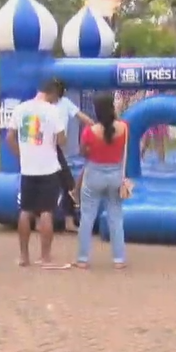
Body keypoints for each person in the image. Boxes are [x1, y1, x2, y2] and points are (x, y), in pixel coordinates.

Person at [7, 79, 67, 269]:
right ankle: (45, 257)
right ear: (53, 93)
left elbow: (10, 137)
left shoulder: (20, 109)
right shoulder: (53, 111)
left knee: (25, 211)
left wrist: (20, 154)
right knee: (46, 212)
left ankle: (24, 257)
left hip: (28, 168)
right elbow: (62, 140)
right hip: (48, 167)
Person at [73, 92, 130, 269]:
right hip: (115, 176)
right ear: (112, 107)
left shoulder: (89, 132)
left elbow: (83, 152)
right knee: (116, 217)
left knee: (87, 217)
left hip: (94, 175)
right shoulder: (124, 127)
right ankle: (119, 259)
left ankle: (82, 258)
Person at [56, 81, 94, 232]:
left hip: (56, 148)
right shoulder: (57, 103)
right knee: (69, 185)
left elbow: (84, 118)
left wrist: (92, 126)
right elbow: (85, 119)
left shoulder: (64, 103)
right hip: (52, 148)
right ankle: (68, 220)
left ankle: (67, 220)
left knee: (67, 184)